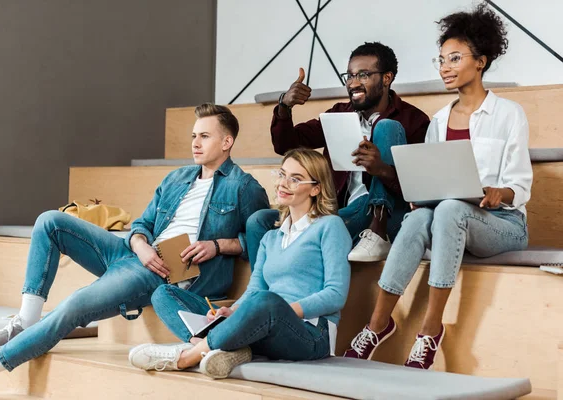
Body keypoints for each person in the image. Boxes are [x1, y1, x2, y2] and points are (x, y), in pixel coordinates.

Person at [0, 104, 269, 398]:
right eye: (193, 136)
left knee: (75, 304)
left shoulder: (244, 187)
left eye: (205, 136)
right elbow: (142, 223)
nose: (195, 143)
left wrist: (217, 245)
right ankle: (27, 320)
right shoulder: (177, 178)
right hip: (135, 252)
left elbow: (258, 241)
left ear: (227, 141)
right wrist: (139, 244)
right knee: (50, 222)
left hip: (166, 270)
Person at [343, 4, 532, 370]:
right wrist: (418, 194)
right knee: (419, 218)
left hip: (504, 224)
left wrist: (497, 192)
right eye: (440, 59)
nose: (444, 67)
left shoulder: (509, 114)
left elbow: (521, 185)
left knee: (447, 209)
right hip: (453, 219)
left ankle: (431, 330)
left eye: (454, 58)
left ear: (481, 61)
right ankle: (378, 324)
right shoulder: (440, 121)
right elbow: (432, 177)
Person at [127, 148, 351, 379]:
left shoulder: (330, 226)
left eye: (295, 179)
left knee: (265, 302)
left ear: (316, 188)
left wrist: (279, 311)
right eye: (282, 174)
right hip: (263, 326)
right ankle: (223, 346)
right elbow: (255, 290)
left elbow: (335, 294)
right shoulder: (271, 237)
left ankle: (188, 357)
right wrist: (232, 311)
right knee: (164, 293)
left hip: (309, 333)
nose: (283, 184)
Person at [246, 42, 430, 266]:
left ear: (386, 78)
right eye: (349, 76)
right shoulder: (339, 113)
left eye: (363, 75)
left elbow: (421, 190)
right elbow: (287, 145)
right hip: (337, 211)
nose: (353, 83)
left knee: (386, 128)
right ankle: (259, 293)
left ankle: (376, 232)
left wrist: (383, 170)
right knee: (258, 221)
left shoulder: (413, 121)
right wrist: (285, 106)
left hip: (384, 215)